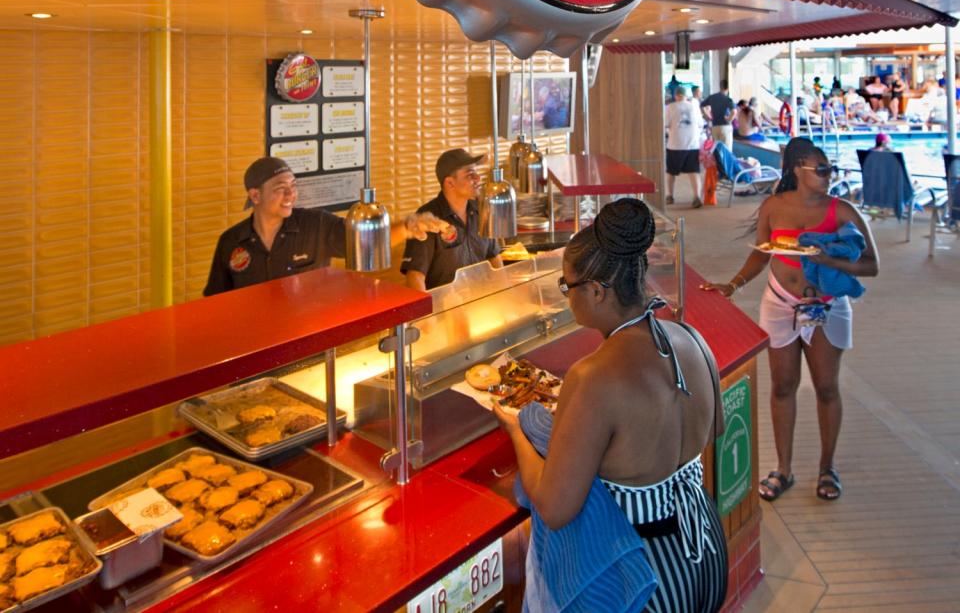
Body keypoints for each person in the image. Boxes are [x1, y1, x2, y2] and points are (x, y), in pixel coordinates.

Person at [493, 199, 728, 613]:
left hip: (642, 576)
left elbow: (554, 507)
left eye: (568, 288)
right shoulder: (692, 339)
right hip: (705, 551)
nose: (566, 298)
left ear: (597, 291)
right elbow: (712, 430)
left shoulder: (593, 377)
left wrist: (515, 428)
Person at [701, 138, 879, 503]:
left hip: (825, 305)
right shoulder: (773, 207)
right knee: (782, 386)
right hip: (780, 303)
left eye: (831, 170)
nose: (829, 176)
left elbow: (871, 265)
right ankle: (784, 468)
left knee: (826, 386)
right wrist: (732, 285)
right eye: (822, 170)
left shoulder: (841, 210)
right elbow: (762, 256)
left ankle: (827, 466)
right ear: (798, 169)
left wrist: (830, 261)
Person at [204, 157, 446, 295]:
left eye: (293, 185)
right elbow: (215, 303)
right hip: (254, 350)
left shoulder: (315, 224)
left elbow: (364, 241)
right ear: (255, 196)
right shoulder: (231, 242)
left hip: (309, 345)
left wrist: (406, 227)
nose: (291, 194)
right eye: (280, 188)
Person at [401, 148, 502, 291]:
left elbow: (494, 257)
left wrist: (503, 295)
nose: (478, 178)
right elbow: (415, 277)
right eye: (470, 175)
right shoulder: (427, 220)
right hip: (444, 307)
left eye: (476, 173)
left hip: (481, 305)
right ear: (450, 183)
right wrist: (429, 312)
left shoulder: (481, 210)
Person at [665, 86, 704, 207]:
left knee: (671, 172)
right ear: (686, 96)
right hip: (692, 145)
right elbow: (700, 124)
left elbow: (665, 124)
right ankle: (696, 197)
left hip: (675, 145)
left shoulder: (670, 107)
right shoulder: (694, 106)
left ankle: (670, 196)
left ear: (676, 96)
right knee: (694, 171)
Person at [702, 80, 734, 149]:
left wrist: (707, 116)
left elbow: (702, 106)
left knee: (717, 150)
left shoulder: (712, 97)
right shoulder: (727, 99)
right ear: (728, 88)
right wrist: (729, 120)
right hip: (725, 127)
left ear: (720, 87)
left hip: (715, 127)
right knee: (727, 151)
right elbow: (734, 112)